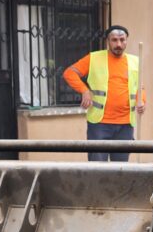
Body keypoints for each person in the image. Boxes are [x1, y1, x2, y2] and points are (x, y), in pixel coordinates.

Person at [62, 25, 145, 162]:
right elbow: (69, 73)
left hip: (126, 125)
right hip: (100, 124)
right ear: (108, 41)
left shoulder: (135, 61)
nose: (118, 44)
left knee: (121, 169)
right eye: (114, 40)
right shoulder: (94, 58)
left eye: (122, 40)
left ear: (126, 41)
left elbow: (139, 86)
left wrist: (141, 100)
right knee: (97, 168)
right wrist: (84, 90)